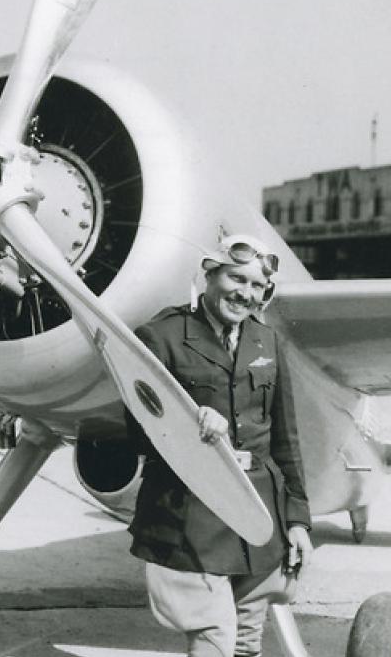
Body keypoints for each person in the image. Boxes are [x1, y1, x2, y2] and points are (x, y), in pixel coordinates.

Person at [126, 234, 313, 657]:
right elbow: (138, 432)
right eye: (236, 278)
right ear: (208, 275)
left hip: (256, 516)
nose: (244, 294)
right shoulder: (162, 336)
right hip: (192, 514)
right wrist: (189, 420)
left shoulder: (266, 342)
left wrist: (298, 519)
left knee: (247, 640)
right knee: (215, 635)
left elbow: (285, 439)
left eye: (256, 287)